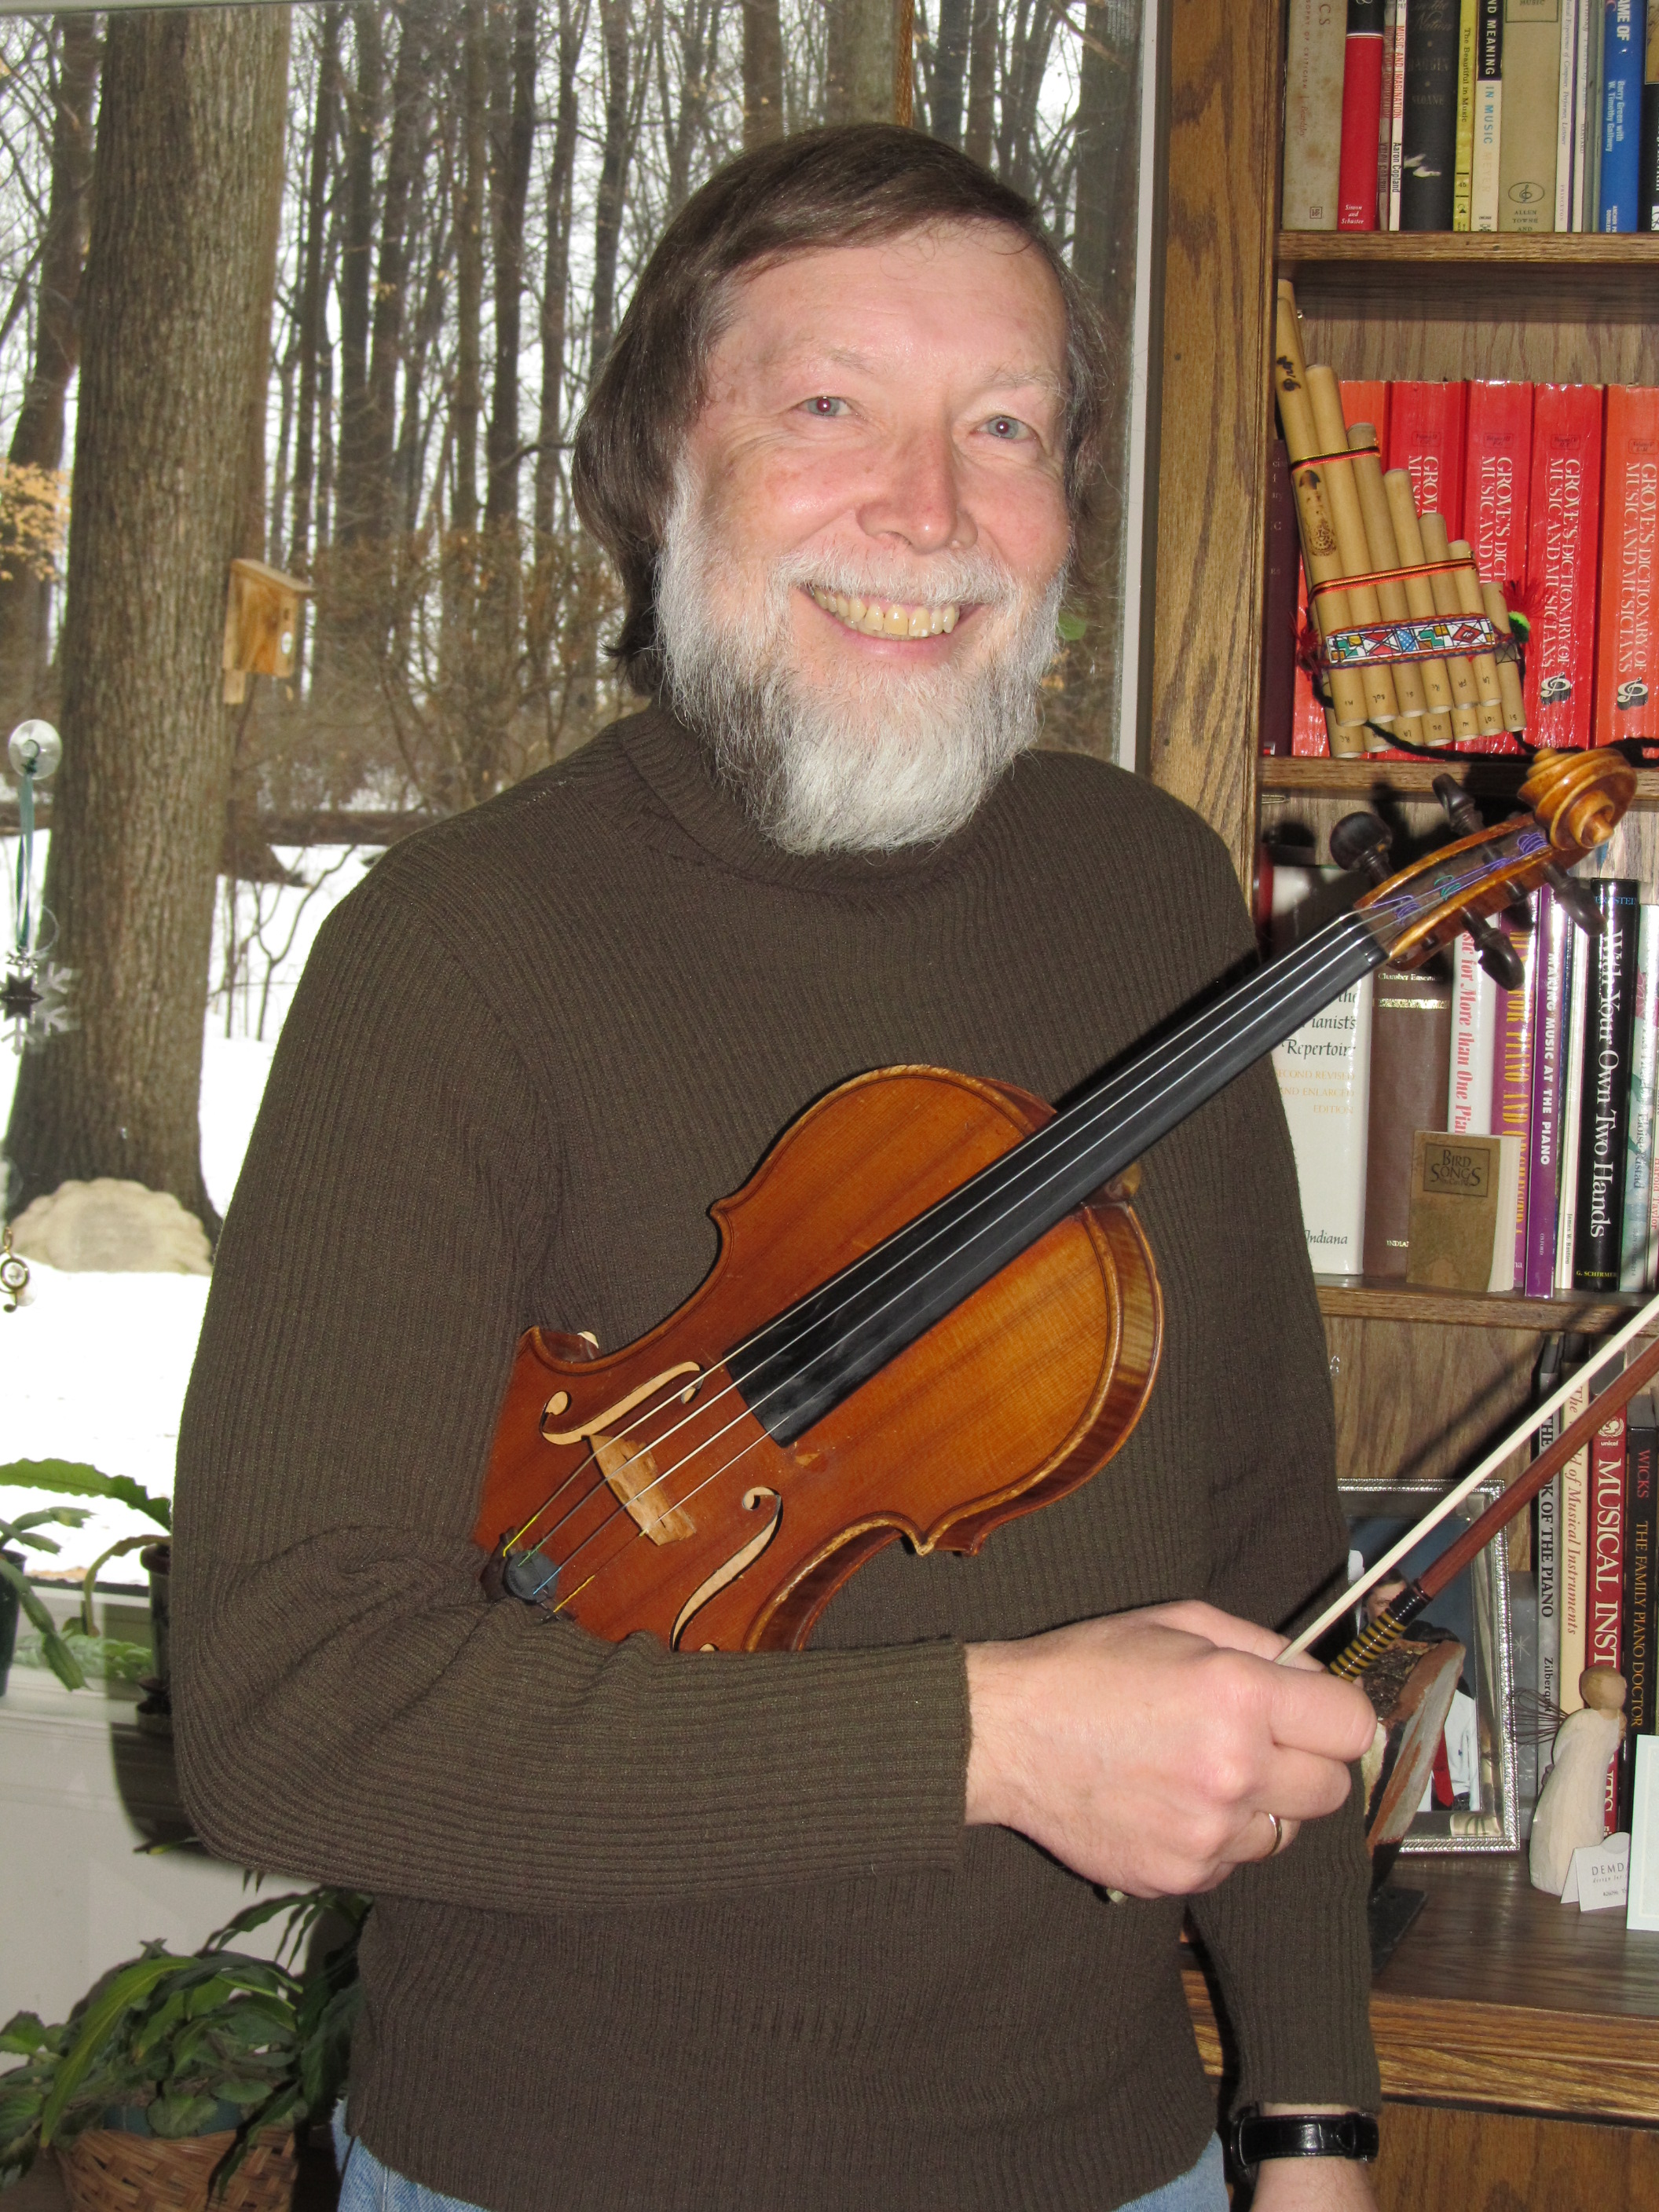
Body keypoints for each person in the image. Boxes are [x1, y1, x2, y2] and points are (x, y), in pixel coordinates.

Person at [173, 126, 1382, 2212]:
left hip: (1121, 2167)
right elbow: (285, 1718)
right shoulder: (455, 957)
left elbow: (1263, 1531)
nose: (926, 512)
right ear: (662, 465)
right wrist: (991, 1744)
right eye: (831, 409)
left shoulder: (1150, 893)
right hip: (557, 2172)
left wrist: (1309, 2114)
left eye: (1002, 427)